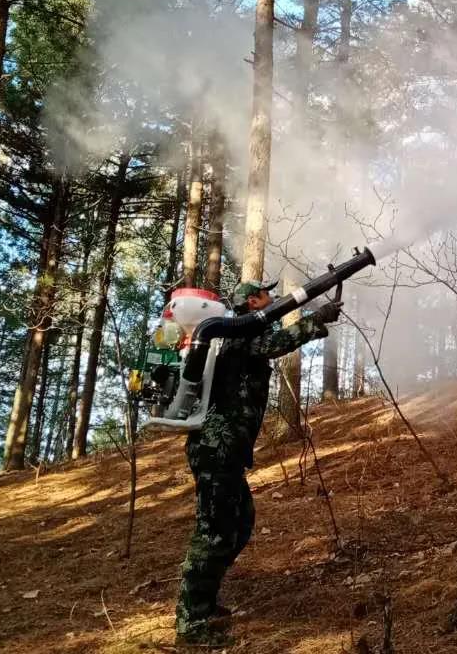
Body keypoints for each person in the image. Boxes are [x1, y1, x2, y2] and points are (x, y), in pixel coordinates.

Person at [174, 277, 342, 648]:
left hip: (226, 449)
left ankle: (204, 600)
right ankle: (191, 621)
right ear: (252, 301)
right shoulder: (239, 332)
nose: (274, 297)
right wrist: (318, 319)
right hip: (216, 447)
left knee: (241, 521)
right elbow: (276, 343)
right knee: (215, 531)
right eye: (266, 293)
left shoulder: (235, 331)